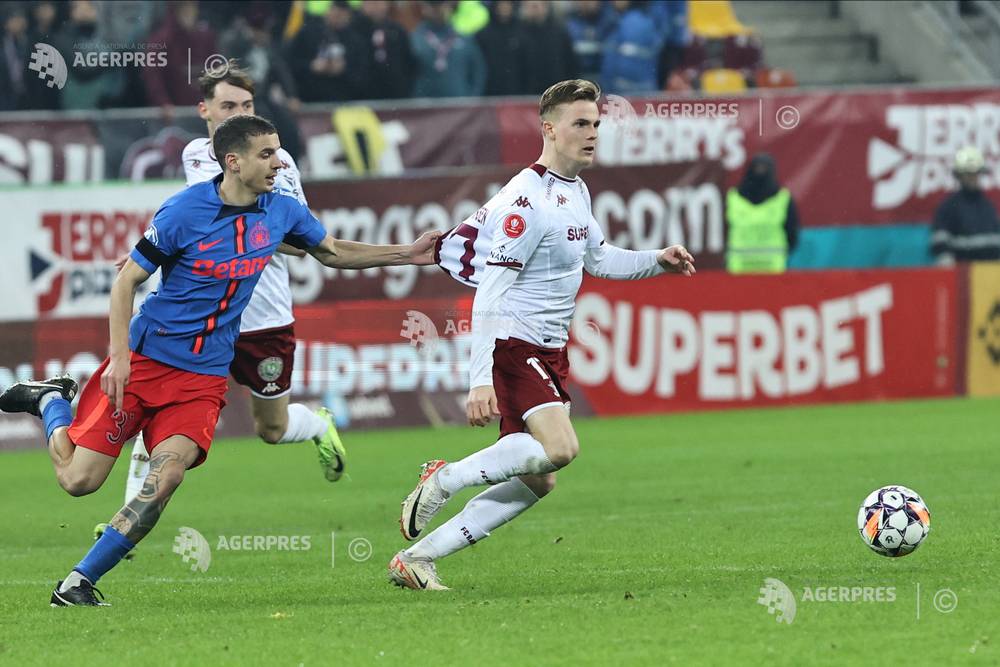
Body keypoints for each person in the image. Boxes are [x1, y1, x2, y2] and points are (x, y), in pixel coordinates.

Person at [0, 114, 441, 606]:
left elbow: (332, 251)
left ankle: (78, 581)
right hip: (146, 363)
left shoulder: (281, 211)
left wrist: (408, 254)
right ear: (233, 162)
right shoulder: (183, 212)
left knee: (166, 476)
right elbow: (126, 281)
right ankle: (51, 404)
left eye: (278, 151)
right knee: (78, 481)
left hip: (203, 378)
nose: (278, 162)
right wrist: (120, 357)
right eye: (267, 154)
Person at [387, 80, 695, 590]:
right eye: (580, 123)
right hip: (514, 345)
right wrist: (479, 380)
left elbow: (599, 258)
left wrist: (655, 261)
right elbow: (489, 292)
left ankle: (417, 559)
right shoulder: (526, 202)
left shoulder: (575, 192)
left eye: (596, 123)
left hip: (548, 350)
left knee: (539, 479)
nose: (592, 133)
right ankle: (443, 478)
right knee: (562, 448)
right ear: (549, 129)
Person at [102, 63, 345, 544]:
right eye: (229, 105)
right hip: (194, 321)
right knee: (152, 409)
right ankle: (124, 521)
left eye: (248, 106)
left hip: (262, 316)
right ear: (205, 110)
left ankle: (316, 424)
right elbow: (191, 219)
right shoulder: (196, 154)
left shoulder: (279, 164)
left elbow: (301, 242)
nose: (238, 112)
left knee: (270, 429)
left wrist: (245, 233)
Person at [725, 153, 800, 274]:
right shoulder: (733, 198)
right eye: (757, 168)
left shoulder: (783, 199)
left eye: (763, 168)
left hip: (771, 270)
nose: (760, 173)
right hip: (741, 271)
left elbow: (792, 233)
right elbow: (792, 235)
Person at [930, 146, 1000, 265]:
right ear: (959, 176)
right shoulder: (949, 207)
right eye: (968, 173)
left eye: (976, 173)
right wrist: (949, 270)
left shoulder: (988, 206)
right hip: (962, 276)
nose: (973, 178)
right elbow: (940, 244)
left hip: (990, 274)